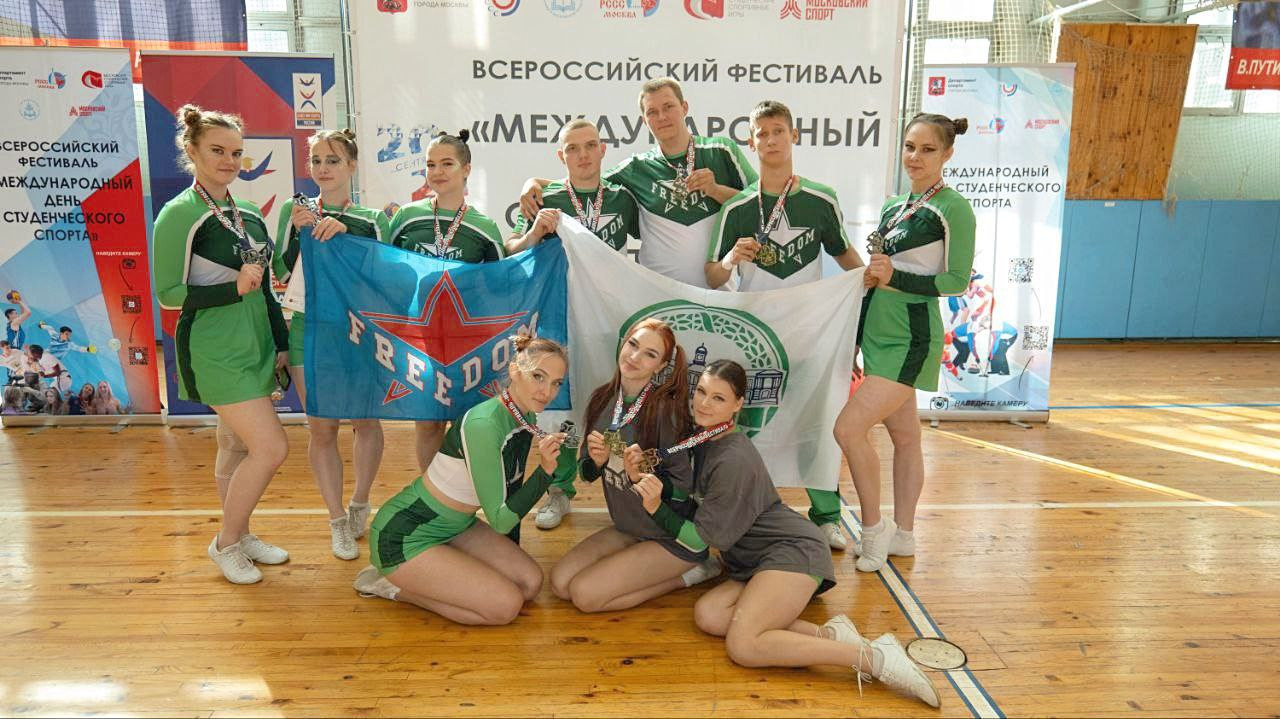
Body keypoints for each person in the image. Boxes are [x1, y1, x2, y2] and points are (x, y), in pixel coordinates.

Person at [634, 360, 938, 707]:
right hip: (754, 559)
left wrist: (656, 508)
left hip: (792, 551)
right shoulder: (704, 438)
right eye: (701, 392)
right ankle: (831, 635)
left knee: (744, 645)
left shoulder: (733, 458)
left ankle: (876, 659)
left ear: (738, 404)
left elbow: (700, 540)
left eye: (718, 398)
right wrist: (654, 483)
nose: (704, 403)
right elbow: (696, 501)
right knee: (709, 614)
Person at [705, 100, 865, 551]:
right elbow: (712, 276)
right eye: (762, 133)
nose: (771, 140)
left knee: (818, 419)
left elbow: (845, 257)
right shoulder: (737, 206)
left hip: (811, 330)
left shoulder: (821, 199)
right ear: (750, 142)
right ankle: (742, 509)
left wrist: (870, 285)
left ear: (794, 136)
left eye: (778, 131)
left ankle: (827, 515)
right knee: (748, 423)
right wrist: (729, 260)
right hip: (755, 334)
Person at [152, 104, 291, 584]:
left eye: (235, 152)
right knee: (271, 447)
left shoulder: (247, 212)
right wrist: (232, 288)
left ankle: (243, 532)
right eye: (217, 151)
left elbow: (266, 286)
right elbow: (168, 294)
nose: (229, 161)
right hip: (214, 349)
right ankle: (226, 542)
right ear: (192, 151)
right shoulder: (179, 214)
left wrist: (280, 343)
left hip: (256, 344)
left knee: (234, 444)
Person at [352, 335, 577, 626]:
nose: (547, 392)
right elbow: (500, 521)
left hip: (458, 526)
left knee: (529, 583)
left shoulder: (525, 416)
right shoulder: (485, 424)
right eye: (538, 376)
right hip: (405, 535)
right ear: (514, 370)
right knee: (504, 607)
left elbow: (511, 491)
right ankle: (392, 585)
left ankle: (439, 566)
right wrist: (544, 472)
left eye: (556, 383)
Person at [834, 113, 975, 573]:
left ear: (948, 154)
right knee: (905, 437)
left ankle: (873, 529)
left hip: (911, 338)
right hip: (877, 332)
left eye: (928, 149)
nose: (915, 157)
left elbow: (956, 281)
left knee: (848, 430)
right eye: (910, 147)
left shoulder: (953, 208)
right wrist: (856, 339)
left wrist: (895, 276)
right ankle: (905, 535)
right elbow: (876, 279)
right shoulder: (895, 206)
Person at [272, 128, 392, 561]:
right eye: (317, 160)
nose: (323, 169)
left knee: (365, 422)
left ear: (352, 166)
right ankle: (337, 519)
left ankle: (360, 502)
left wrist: (349, 235)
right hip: (308, 328)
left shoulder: (372, 219)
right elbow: (280, 270)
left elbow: (387, 277)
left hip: (357, 331)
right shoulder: (295, 209)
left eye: (333, 160)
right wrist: (296, 233)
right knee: (322, 428)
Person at [548, 318, 721, 612]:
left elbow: (683, 490)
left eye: (650, 354)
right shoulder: (602, 399)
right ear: (623, 342)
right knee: (560, 583)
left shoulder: (665, 410)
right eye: (633, 345)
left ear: (661, 366)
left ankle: (693, 573)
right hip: (628, 526)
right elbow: (586, 474)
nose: (634, 357)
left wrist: (642, 476)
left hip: (669, 534)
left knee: (585, 596)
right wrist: (598, 463)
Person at [520, 77, 756, 288]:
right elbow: (585, 181)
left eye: (668, 107)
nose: (661, 117)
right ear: (644, 121)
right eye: (652, 112)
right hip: (656, 297)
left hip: (717, 292)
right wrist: (534, 182)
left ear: (684, 108)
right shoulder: (636, 167)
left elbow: (761, 204)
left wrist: (716, 190)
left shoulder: (721, 150)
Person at [389, 130, 505, 474]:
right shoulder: (406, 217)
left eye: (447, 164)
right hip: (420, 339)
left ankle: (463, 493)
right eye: (430, 164)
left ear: (466, 169)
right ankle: (430, 493)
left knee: (465, 425)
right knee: (427, 423)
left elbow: (501, 285)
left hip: (467, 343)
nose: (437, 171)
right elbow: (383, 268)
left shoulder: (484, 227)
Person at [505, 118, 640, 258]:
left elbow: (653, 238)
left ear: (602, 150)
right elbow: (509, 250)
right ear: (561, 156)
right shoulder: (541, 199)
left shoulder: (623, 197)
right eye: (572, 148)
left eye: (591, 145)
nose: (583, 155)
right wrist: (533, 235)